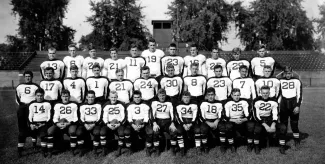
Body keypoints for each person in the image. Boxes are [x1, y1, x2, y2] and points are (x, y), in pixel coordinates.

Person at [252, 86, 287, 154]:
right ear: (260, 93)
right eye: (263, 93)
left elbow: (275, 113)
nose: (265, 94)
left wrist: (273, 124)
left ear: (269, 93)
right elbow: (256, 115)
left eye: (266, 93)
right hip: (260, 119)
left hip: (269, 119)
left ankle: (282, 147)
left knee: (283, 127)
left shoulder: (273, 101)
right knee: (257, 129)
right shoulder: (256, 101)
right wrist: (265, 125)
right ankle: (256, 146)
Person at [17, 88, 51, 157]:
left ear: (43, 95)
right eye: (38, 95)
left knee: (43, 135)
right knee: (22, 134)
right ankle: (19, 151)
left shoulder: (48, 103)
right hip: (34, 124)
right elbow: (30, 116)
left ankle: (43, 151)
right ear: (35, 96)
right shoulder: (32, 104)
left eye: (41, 95)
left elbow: (50, 116)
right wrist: (31, 124)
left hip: (43, 124)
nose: (39, 97)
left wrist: (44, 124)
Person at [221, 88, 255, 153]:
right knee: (228, 126)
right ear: (231, 95)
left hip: (242, 119)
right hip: (231, 120)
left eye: (238, 95)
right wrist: (234, 120)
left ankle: (249, 144)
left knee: (251, 125)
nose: (236, 97)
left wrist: (243, 120)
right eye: (235, 95)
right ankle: (232, 145)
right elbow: (225, 116)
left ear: (240, 95)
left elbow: (248, 115)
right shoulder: (227, 102)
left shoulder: (244, 102)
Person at [47, 90, 79, 157]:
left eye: (67, 96)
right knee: (50, 131)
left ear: (69, 97)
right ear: (61, 97)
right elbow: (55, 117)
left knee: (72, 131)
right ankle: (50, 152)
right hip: (60, 123)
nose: (65, 98)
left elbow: (76, 118)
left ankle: (72, 150)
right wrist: (57, 124)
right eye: (63, 96)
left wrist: (68, 123)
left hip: (70, 123)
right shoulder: (57, 105)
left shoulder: (74, 105)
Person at [16, 71, 39, 155]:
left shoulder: (35, 86)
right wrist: (22, 105)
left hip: (32, 107)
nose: (27, 78)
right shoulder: (19, 86)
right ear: (24, 77)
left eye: (29, 76)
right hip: (22, 107)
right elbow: (17, 97)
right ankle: (20, 147)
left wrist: (31, 105)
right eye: (26, 76)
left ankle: (34, 144)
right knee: (22, 126)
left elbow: (38, 97)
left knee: (33, 125)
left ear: (32, 77)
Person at [279, 66, 302, 146]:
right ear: (284, 73)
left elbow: (299, 94)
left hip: (293, 103)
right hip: (283, 104)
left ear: (291, 73)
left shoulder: (297, 81)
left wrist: (298, 106)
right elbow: (278, 94)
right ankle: (283, 142)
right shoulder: (280, 81)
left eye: (289, 73)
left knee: (294, 124)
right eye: (286, 73)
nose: (288, 75)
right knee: (283, 125)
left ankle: (296, 140)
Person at [100, 91, 128, 157]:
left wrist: (119, 124)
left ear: (117, 97)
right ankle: (104, 149)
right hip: (108, 124)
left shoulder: (121, 104)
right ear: (109, 97)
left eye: (115, 97)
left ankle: (119, 149)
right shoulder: (106, 105)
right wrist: (107, 124)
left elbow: (124, 116)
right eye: (112, 97)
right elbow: (104, 117)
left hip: (118, 123)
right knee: (102, 133)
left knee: (121, 133)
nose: (113, 99)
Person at [150, 89, 177, 156]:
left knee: (173, 132)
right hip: (158, 121)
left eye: (163, 95)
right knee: (156, 132)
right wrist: (154, 123)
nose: (162, 97)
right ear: (157, 96)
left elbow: (173, 114)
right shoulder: (154, 103)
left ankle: (172, 149)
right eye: (160, 96)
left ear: (165, 95)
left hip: (167, 121)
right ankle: (157, 149)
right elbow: (152, 114)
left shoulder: (170, 103)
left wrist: (172, 123)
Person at [126, 90, 152, 156]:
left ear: (141, 97)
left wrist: (143, 124)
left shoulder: (145, 104)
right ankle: (130, 149)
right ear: (133, 98)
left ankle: (148, 149)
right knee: (127, 132)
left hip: (143, 122)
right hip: (133, 122)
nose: (137, 99)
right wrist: (133, 125)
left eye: (138, 97)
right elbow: (129, 118)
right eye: (135, 97)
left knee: (150, 132)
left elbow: (147, 116)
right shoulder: (130, 105)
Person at [77, 90, 102, 156]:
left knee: (96, 132)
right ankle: (81, 150)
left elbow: (100, 117)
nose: (91, 98)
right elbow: (80, 118)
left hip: (95, 123)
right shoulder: (82, 105)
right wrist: (85, 124)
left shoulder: (98, 105)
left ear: (94, 97)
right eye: (89, 97)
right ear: (86, 97)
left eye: (92, 97)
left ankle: (95, 150)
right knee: (79, 132)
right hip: (85, 123)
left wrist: (93, 124)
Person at [199, 87, 224, 153]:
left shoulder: (219, 103)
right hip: (206, 120)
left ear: (215, 95)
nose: (210, 96)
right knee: (203, 129)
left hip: (216, 120)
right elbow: (201, 116)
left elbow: (221, 114)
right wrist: (208, 122)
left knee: (222, 127)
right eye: (209, 95)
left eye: (212, 95)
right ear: (206, 96)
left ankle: (222, 145)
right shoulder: (203, 103)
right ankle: (205, 146)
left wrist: (217, 121)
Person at [175, 91, 199, 156]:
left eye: (187, 97)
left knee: (197, 130)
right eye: (184, 97)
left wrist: (191, 123)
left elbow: (195, 115)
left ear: (190, 98)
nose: (186, 99)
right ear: (182, 98)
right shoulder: (178, 104)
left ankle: (198, 147)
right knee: (179, 131)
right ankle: (182, 149)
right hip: (182, 121)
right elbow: (178, 116)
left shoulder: (194, 104)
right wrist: (183, 124)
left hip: (192, 121)